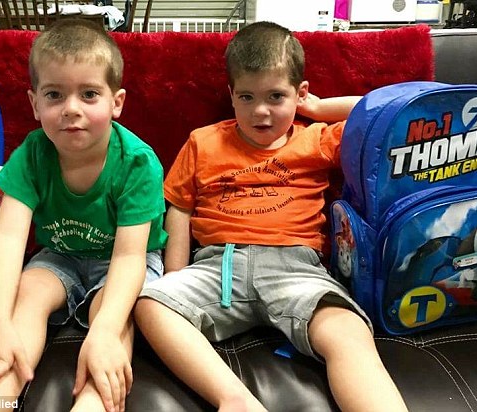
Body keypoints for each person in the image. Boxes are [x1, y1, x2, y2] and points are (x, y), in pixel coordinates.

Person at [134, 21, 408, 412]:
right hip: (217, 267)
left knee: (348, 330)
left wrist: (317, 109)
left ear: (300, 93)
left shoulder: (316, 138)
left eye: (276, 96)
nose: (260, 111)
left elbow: (389, 113)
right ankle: (235, 400)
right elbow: (179, 206)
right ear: (231, 95)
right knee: (150, 303)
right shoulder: (203, 141)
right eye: (246, 97)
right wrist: (175, 273)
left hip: (297, 269)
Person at [0, 19, 167, 412]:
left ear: (116, 103)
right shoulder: (33, 153)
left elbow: (129, 257)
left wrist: (104, 330)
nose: (71, 109)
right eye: (55, 95)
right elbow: (7, 239)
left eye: (89, 94)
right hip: (59, 256)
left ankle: (93, 403)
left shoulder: (138, 163)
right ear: (35, 104)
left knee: (114, 319)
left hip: (124, 261)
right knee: (28, 295)